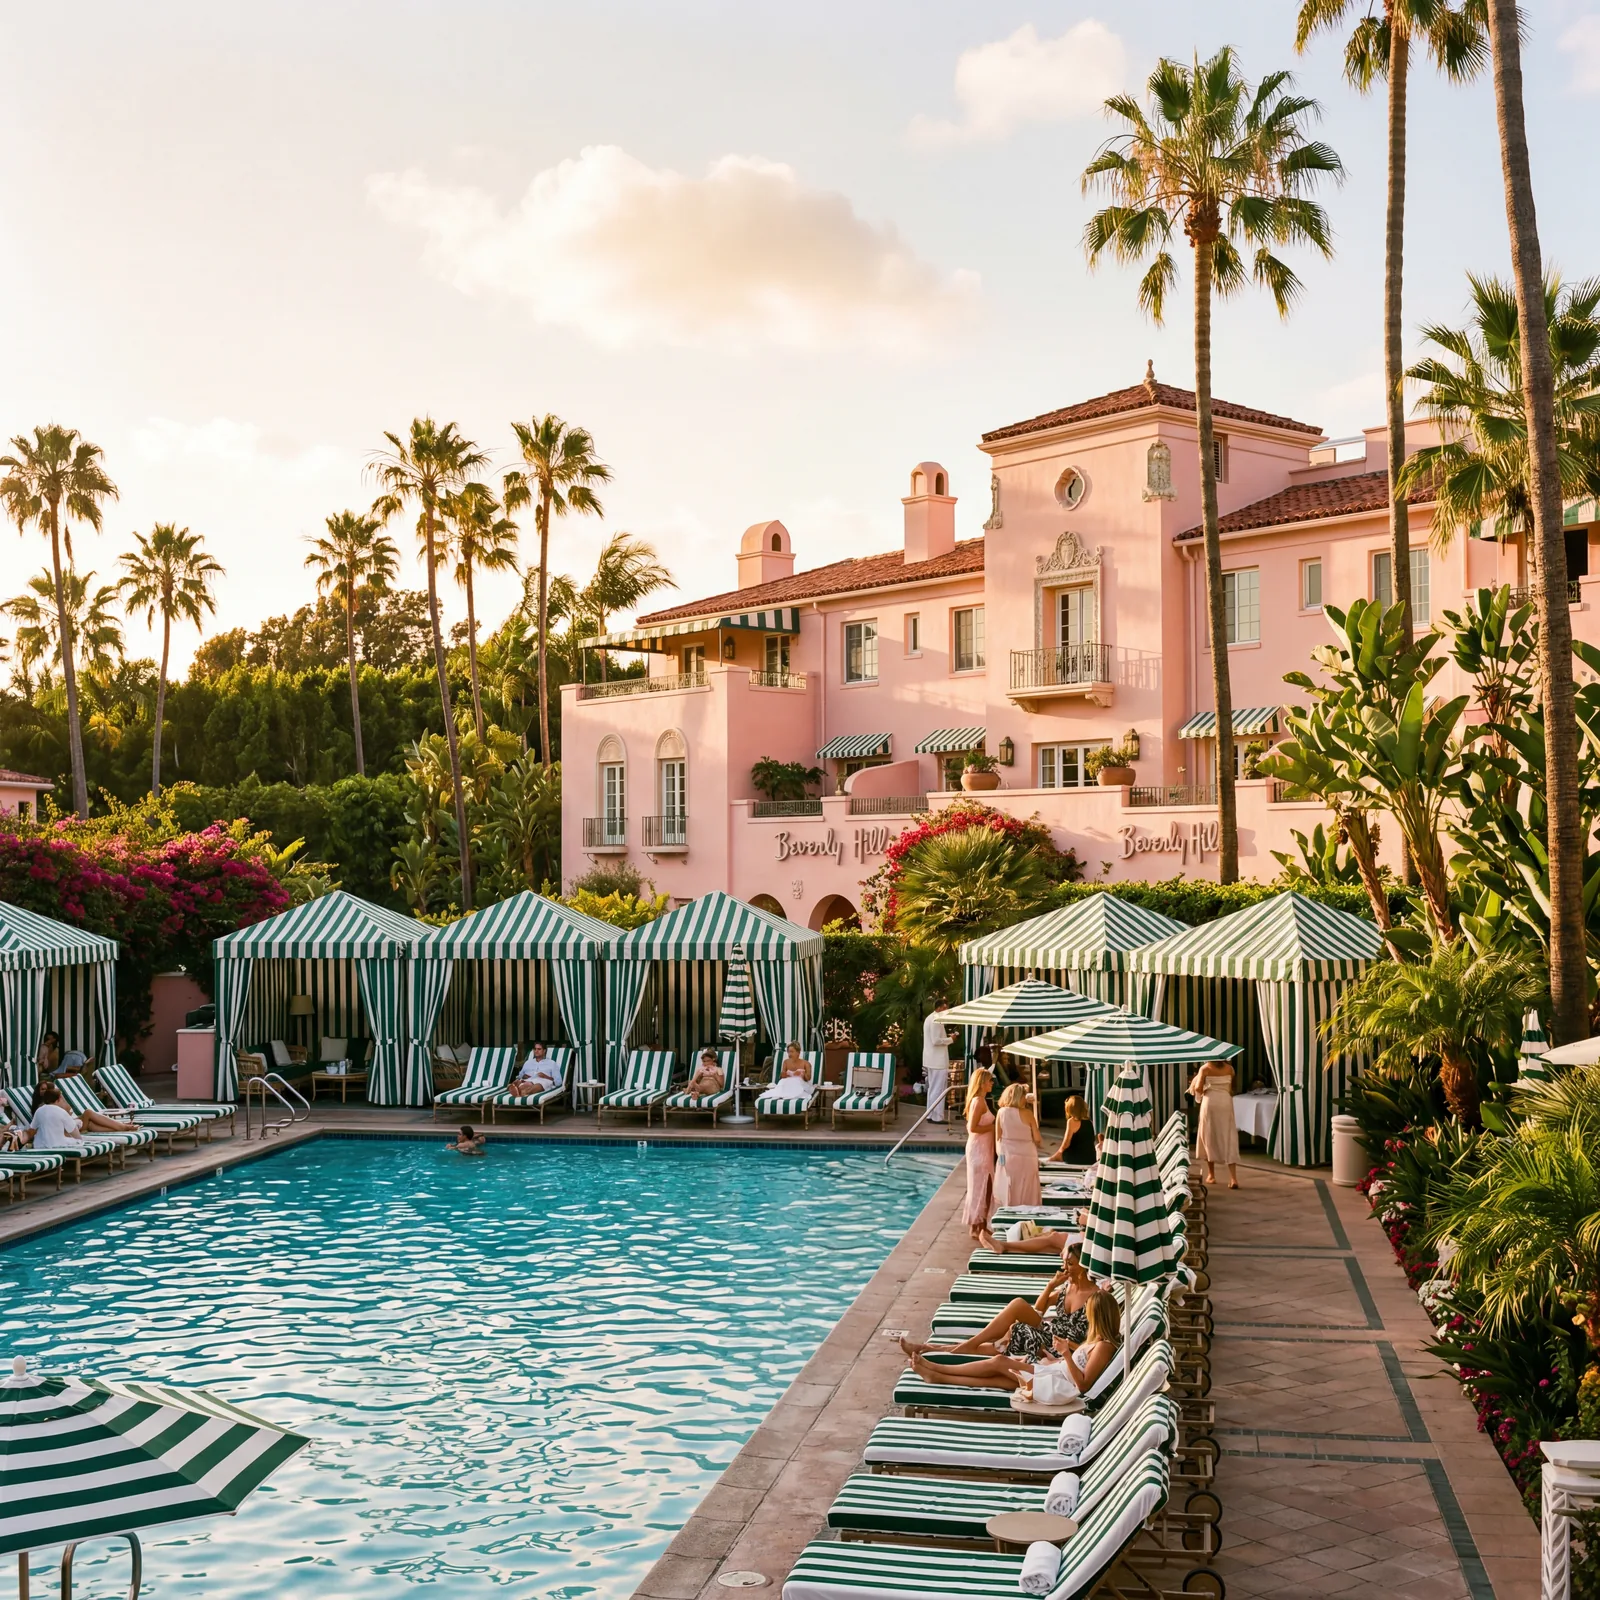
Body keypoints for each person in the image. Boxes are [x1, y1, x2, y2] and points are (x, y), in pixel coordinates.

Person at [902, 1290, 1121, 1397]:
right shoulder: (1098, 1341)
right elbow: (1077, 1369)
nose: (1087, 1319)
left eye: (1090, 1314)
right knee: (1000, 1380)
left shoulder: (1104, 1346)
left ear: (1099, 1316)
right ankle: (938, 1377)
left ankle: (937, 1368)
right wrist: (1053, 1357)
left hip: (1057, 1386)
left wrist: (1064, 1354)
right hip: (1053, 1373)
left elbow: (1083, 1385)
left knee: (999, 1361)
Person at [902, 1244, 1095, 1360]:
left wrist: (1071, 1351)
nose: (1064, 1267)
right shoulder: (1068, 1287)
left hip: (1060, 1347)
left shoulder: (1095, 1298)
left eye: (1070, 1264)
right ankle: (934, 1349)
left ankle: (940, 1349)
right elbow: (1039, 1310)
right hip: (1049, 1333)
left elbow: (1094, 1339)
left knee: (1008, 1336)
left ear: (1084, 1265)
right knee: (1018, 1305)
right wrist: (1050, 1286)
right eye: (1065, 1263)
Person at [1189, 1058, 1241, 1188]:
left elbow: (1199, 1089)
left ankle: (1211, 1175)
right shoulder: (1230, 1069)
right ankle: (1233, 1178)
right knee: (1229, 1136)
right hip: (1225, 1101)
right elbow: (1232, 1088)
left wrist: (1194, 1083)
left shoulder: (1205, 1068)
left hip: (1210, 1102)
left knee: (1209, 1135)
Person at [992, 1081, 1042, 1211]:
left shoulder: (1001, 1113)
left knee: (1010, 1187)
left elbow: (998, 1136)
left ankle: (1009, 1213)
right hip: (1028, 1155)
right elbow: (1037, 1138)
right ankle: (1028, 1214)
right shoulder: (1028, 1114)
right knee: (1028, 1188)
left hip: (1008, 1155)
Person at [31, 1080, 138, 1139]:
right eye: (42, 1089)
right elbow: (67, 1113)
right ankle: (123, 1126)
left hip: (68, 1126)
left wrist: (59, 1096)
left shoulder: (54, 1101)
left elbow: (69, 1110)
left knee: (91, 1124)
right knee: (88, 1112)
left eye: (48, 1089)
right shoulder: (42, 1107)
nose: (45, 1091)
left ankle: (122, 1128)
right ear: (38, 1091)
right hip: (64, 1131)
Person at [961, 1067, 996, 1241]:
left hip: (984, 1148)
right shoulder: (978, 1102)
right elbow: (972, 1128)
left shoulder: (982, 1100)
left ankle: (981, 1225)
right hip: (979, 1149)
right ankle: (977, 1226)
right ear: (982, 1083)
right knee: (982, 1186)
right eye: (990, 1080)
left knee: (985, 1186)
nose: (992, 1083)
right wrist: (994, 1127)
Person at [1046, 1095, 1097, 1165]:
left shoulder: (1072, 1121)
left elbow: (1066, 1144)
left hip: (1076, 1158)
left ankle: (1051, 1160)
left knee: (1061, 1154)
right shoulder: (1089, 1122)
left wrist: (1059, 1153)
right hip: (1091, 1158)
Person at [922, 1009, 952, 1124]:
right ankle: (937, 1117)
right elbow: (935, 1040)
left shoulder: (929, 1018)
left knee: (932, 1088)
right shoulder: (935, 1019)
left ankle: (930, 1114)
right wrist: (951, 1039)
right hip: (938, 1061)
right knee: (939, 1089)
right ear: (940, 1008)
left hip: (931, 1059)